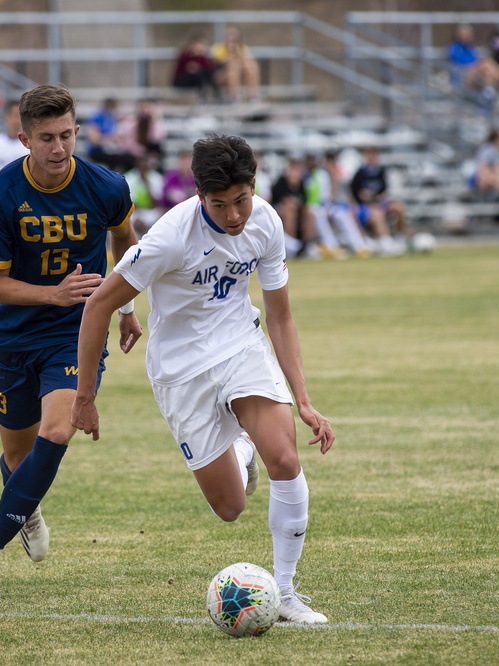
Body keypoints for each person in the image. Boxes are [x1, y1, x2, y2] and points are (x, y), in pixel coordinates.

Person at [71, 134, 335, 624]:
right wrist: (85, 396)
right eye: (221, 205)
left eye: (242, 200)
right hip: (180, 368)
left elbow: (280, 316)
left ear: (253, 187)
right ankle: (240, 448)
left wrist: (303, 399)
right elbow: (97, 305)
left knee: (284, 455)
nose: (235, 215)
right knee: (230, 507)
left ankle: (286, 593)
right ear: (198, 196)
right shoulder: (172, 236)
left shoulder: (266, 222)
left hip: (239, 344)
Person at [0, 84, 139, 601]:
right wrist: (53, 294)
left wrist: (125, 308)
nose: (59, 149)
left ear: (77, 131)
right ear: (24, 139)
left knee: (58, 430)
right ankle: (27, 504)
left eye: (66, 135)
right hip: (15, 335)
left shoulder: (107, 186)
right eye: (46, 139)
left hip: (76, 330)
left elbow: (127, 243)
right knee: (19, 460)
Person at [349, 146, 407, 256]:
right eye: (369, 155)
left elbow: (384, 190)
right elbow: (355, 193)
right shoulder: (360, 173)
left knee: (399, 208)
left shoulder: (381, 171)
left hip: (379, 202)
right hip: (365, 206)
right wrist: (364, 197)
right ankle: (386, 244)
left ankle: (400, 240)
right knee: (377, 214)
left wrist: (378, 197)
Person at [270, 156, 319, 259]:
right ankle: (291, 247)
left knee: (309, 212)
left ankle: (308, 244)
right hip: (280, 211)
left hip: (297, 210)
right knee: (289, 212)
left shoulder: (300, 183)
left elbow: (304, 200)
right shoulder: (281, 182)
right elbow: (278, 200)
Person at [84, 98, 137, 174]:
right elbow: (94, 139)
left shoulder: (112, 117)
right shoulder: (97, 117)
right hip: (98, 152)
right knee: (126, 160)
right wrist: (110, 138)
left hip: (111, 151)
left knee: (131, 158)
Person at [210, 26, 261, 104]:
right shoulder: (218, 48)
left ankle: (254, 96)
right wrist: (231, 52)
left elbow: (248, 63)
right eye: (230, 35)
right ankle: (234, 97)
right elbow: (220, 64)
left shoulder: (242, 48)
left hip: (239, 74)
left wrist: (238, 53)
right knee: (233, 68)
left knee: (251, 66)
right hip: (220, 76)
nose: (232, 38)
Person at [123, 153, 166, 238]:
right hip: (135, 212)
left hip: (151, 211)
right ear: (137, 163)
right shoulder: (129, 177)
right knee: (137, 222)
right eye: (141, 162)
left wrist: (147, 184)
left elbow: (157, 203)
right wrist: (139, 216)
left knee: (164, 217)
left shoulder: (156, 177)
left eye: (146, 162)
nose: (144, 165)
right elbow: (131, 203)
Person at [171, 33, 220, 102]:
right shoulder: (185, 55)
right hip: (181, 80)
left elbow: (210, 68)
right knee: (199, 75)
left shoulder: (203, 57)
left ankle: (216, 96)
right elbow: (189, 68)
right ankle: (204, 99)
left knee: (207, 74)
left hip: (196, 80)